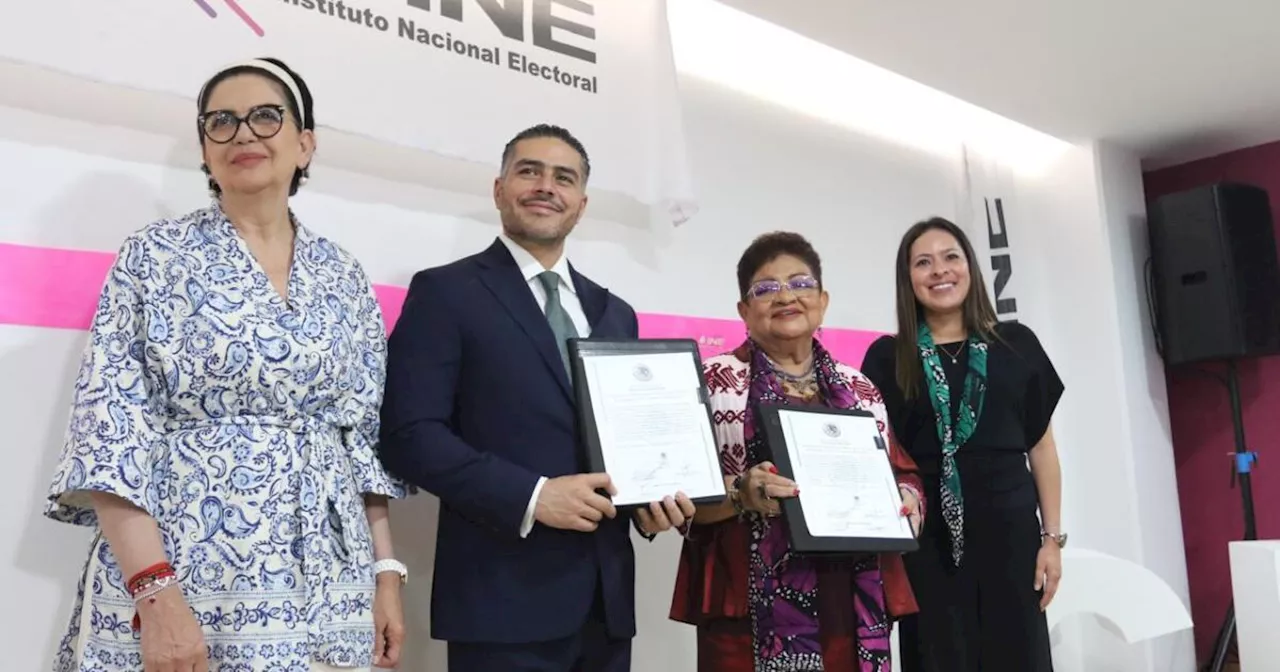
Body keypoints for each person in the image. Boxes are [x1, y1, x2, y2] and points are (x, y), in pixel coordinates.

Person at [43, 58, 409, 672]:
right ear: (205, 150)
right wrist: (155, 594)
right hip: (184, 576)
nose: (243, 134)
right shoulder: (154, 256)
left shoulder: (343, 274)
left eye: (266, 116)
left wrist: (387, 574)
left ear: (304, 143)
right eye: (222, 122)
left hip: (329, 583)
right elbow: (109, 437)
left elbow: (361, 445)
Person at [376, 123, 694, 672]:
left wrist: (649, 502)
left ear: (581, 203)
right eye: (529, 171)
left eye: (563, 177)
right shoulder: (445, 292)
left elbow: (621, 444)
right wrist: (533, 496)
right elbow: (409, 436)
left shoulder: (616, 313)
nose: (546, 186)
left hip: (606, 603)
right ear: (499, 189)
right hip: (501, 603)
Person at [668, 231, 926, 672]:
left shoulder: (859, 388)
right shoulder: (709, 382)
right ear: (743, 311)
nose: (786, 296)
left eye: (801, 284)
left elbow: (903, 473)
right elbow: (677, 493)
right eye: (765, 288)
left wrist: (907, 501)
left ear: (823, 301)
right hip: (747, 601)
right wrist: (740, 494)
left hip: (850, 598)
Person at [859, 217, 1065, 672]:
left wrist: (1051, 540)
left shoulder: (1016, 343)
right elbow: (874, 455)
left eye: (951, 257)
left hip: (1011, 537)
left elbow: (1043, 448)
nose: (939, 271)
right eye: (923, 263)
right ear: (907, 279)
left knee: (1019, 658)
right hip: (927, 542)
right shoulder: (888, 357)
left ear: (970, 267)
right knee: (937, 657)